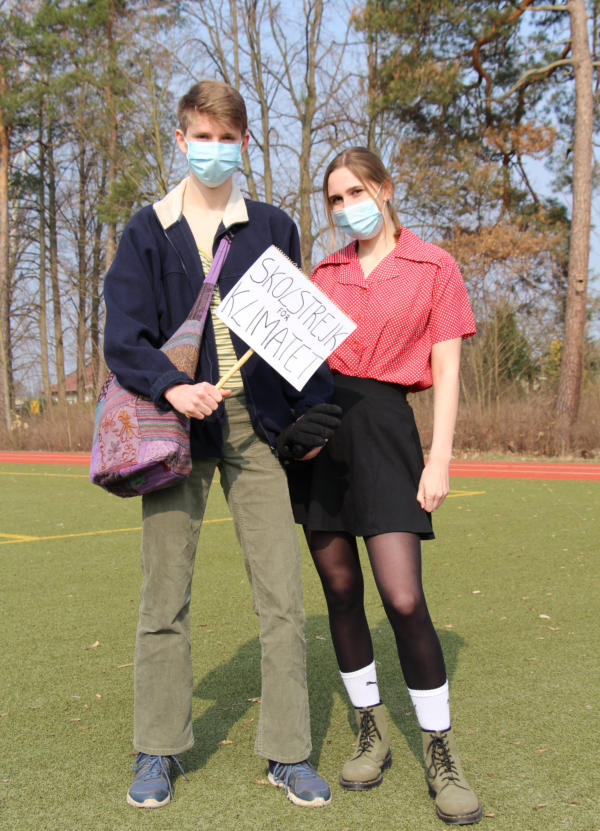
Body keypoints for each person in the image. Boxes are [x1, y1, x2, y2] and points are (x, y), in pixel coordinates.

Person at [103, 79, 341, 810]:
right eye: (201, 137)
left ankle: (289, 752)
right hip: (174, 427)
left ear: (243, 142)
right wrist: (172, 388)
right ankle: (158, 748)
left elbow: (296, 335)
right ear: (181, 140)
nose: (213, 149)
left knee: (282, 595)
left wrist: (312, 411)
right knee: (163, 595)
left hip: (252, 427)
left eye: (226, 138)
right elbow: (123, 339)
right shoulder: (148, 229)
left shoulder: (271, 226)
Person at [287, 147, 483, 825]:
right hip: (321, 436)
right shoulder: (323, 273)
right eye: (335, 199)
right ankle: (370, 729)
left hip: (387, 431)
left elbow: (447, 369)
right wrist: (293, 431)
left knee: (402, 596)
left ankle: (440, 748)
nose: (347, 207)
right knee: (341, 591)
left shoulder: (435, 267)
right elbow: (296, 366)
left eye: (357, 192)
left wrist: (440, 457)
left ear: (386, 188)